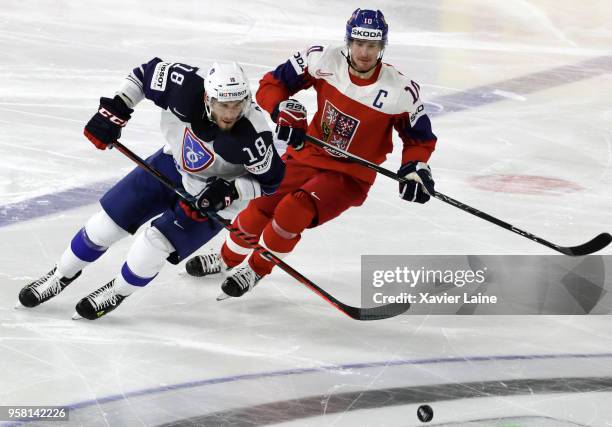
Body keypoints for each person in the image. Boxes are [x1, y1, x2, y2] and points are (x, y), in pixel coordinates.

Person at [186, 8, 438, 299]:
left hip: (350, 175)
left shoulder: (400, 92)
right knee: (261, 203)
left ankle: (256, 268)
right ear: (348, 41)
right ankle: (226, 258)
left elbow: (419, 138)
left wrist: (414, 168)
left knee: (295, 208)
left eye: (372, 45)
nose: (364, 52)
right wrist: (281, 110)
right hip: (307, 155)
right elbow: (272, 84)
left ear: (382, 46)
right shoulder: (322, 59)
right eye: (358, 43)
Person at [16, 59, 285, 319]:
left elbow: (271, 183)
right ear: (207, 98)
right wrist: (116, 110)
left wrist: (230, 191)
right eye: (223, 105)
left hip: (213, 194)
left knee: (152, 247)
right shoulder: (186, 88)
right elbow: (143, 75)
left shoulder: (254, 136)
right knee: (105, 225)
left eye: (237, 105)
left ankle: (117, 291)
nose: (230, 114)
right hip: (170, 163)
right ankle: (60, 275)